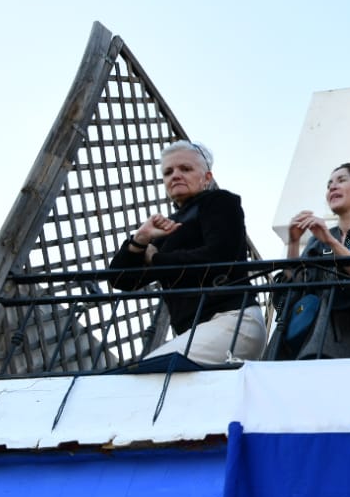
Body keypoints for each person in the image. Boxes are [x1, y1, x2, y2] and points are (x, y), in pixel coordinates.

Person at [108, 140, 266, 363]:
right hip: (195, 331)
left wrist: (156, 258)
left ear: (207, 178)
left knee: (149, 373)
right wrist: (140, 240)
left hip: (231, 320)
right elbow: (121, 280)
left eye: (186, 169)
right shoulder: (167, 228)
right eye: (168, 172)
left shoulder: (220, 202)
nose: (175, 175)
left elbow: (221, 255)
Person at [274, 163, 350, 359]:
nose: (332, 187)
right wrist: (294, 242)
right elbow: (297, 285)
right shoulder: (320, 237)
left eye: (341, 180)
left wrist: (331, 242)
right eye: (329, 184)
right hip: (310, 340)